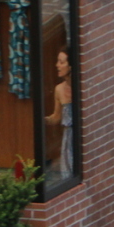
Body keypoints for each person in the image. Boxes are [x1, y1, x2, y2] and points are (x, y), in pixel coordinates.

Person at [45, 49, 73, 177]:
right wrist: (44, 120)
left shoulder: (81, 86)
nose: (57, 65)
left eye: (61, 62)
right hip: (69, 138)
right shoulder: (59, 89)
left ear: (71, 66)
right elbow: (57, 117)